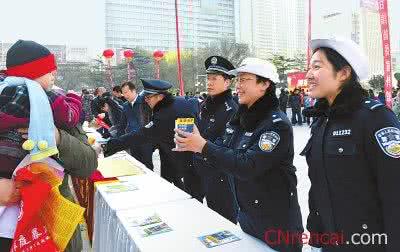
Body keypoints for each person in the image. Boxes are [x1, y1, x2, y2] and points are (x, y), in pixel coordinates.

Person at [174, 58, 303, 252]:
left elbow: (247, 166)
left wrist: (203, 146)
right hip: (248, 216)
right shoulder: (242, 118)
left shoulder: (276, 124)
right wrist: (195, 143)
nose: (238, 86)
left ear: (264, 84)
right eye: (238, 80)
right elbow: (224, 148)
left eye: (245, 80)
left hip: (276, 222)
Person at [301, 37, 400, 251]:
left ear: (343, 74)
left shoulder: (375, 118)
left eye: (317, 67)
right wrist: (316, 236)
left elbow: (395, 191)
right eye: (309, 68)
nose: (308, 75)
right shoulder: (321, 120)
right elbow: (318, 186)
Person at [104, 79, 198, 190]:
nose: (146, 100)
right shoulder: (175, 102)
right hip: (171, 155)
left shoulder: (165, 114)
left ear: (160, 97)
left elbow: (142, 134)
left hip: (184, 163)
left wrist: (111, 145)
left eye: (148, 97)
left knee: (186, 194)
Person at [188, 56, 238, 222]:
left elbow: (227, 145)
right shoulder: (204, 105)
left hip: (220, 175)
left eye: (214, 79)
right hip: (199, 170)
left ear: (227, 82)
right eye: (208, 78)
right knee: (201, 219)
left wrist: (198, 145)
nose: (209, 83)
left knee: (223, 220)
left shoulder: (232, 110)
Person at [118, 81, 154, 170]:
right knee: (136, 165)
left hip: (146, 140)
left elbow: (153, 119)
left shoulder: (145, 102)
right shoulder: (125, 105)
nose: (125, 95)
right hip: (133, 140)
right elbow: (122, 124)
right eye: (123, 93)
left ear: (133, 90)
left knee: (147, 165)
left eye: (126, 92)